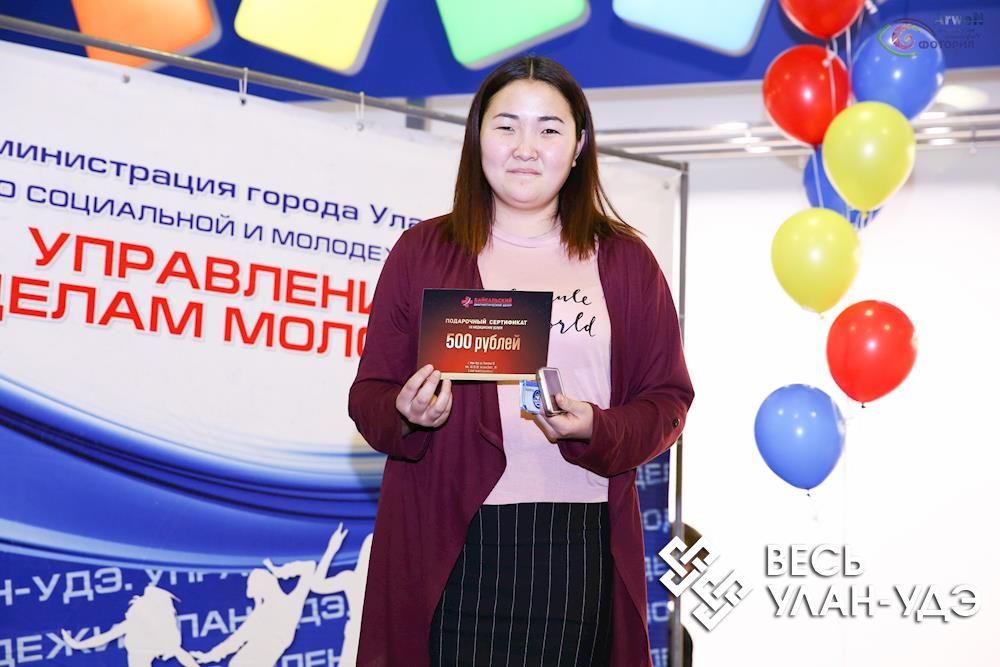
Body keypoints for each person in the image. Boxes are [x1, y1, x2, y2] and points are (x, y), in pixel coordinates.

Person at [348, 55, 694, 667]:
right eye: (506, 126)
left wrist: (597, 426)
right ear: (477, 136)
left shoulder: (625, 261)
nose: (525, 148)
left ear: (579, 145)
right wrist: (406, 412)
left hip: (576, 544)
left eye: (549, 129)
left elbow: (668, 400)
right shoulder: (422, 252)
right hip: (448, 540)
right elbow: (369, 395)